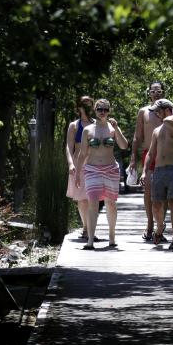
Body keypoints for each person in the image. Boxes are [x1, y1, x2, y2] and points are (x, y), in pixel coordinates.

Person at [75, 99, 129, 250]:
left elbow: (124, 146)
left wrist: (117, 128)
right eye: (100, 109)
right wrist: (78, 173)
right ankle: (90, 240)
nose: (102, 112)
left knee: (111, 203)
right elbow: (82, 153)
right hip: (92, 169)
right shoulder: (88, 130)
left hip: (111, 169)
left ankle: (112, 237)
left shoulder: (112, 128)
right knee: (93, 203)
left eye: (105, 109)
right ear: (95, 110)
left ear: (109, 111)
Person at [148, 98, 173, 250]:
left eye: (158, 111)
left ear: (167, 110)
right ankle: (159, 227)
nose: (156, 114)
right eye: (155, 112)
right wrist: (146, 172)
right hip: (158, 170)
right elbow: (151, 153)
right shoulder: (156, 131)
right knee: (156, 204)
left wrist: (170, 116)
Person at [130, 81, 165, 241]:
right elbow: (137, 137)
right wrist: (133, 159)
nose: (156, 93)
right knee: (149, 191)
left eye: (159, 91)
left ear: (163, 92)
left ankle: (160, 228)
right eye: (153, 91)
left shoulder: (170, 110)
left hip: (166, 155)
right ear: (149, 93)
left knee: (163, 193)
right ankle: (150, 225)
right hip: (147, 154)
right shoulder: (143, 111)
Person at [65, 95, 94, 239]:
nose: (87, 106)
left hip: (95, 161)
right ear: (79, 107)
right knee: (82, 198)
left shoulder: (98, 123)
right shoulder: (74, 125)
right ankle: (86, 228)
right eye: (84, 104)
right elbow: (69, 147)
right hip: (79, 162)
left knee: (92, 197)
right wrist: (70, 163)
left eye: (90, 104)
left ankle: (90, 228)